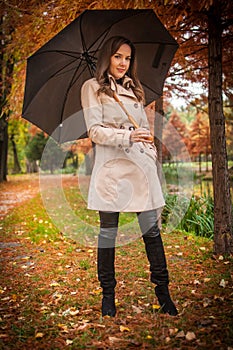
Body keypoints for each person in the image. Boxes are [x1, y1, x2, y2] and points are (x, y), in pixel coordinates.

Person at [81, 36, 178, 317]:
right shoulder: (92, 88)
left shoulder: (135, 91)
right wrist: (127, 135)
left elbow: (144, 129)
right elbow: (95, 132)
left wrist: (149, 149)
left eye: (128, 58)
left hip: (140, 169)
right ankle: (108, 296)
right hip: (110, 170)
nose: (124, 63)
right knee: (108, 235)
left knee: (152, 233)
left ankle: (164, 294)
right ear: (106, 58)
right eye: (117, 57)